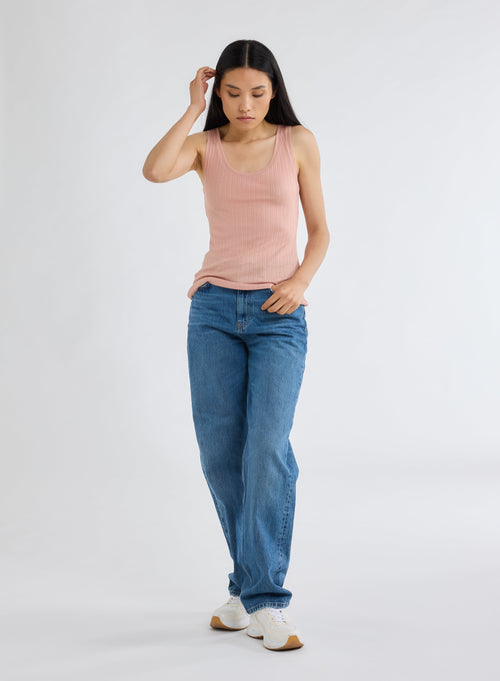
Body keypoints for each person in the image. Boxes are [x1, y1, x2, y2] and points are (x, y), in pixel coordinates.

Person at [142, 39, 330, 651]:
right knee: (221, 457)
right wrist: (191, 110)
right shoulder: (206, 146)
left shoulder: (298, 142)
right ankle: (246, 587)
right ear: (217, 92)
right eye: (231, 92)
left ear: (274, 91)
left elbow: (320, 231)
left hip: (279, 313)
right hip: (214, 312)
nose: (244, 104)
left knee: (267, 449)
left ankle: (266, 600)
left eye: (256, 92)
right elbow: (154, 170)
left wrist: (299, 283)